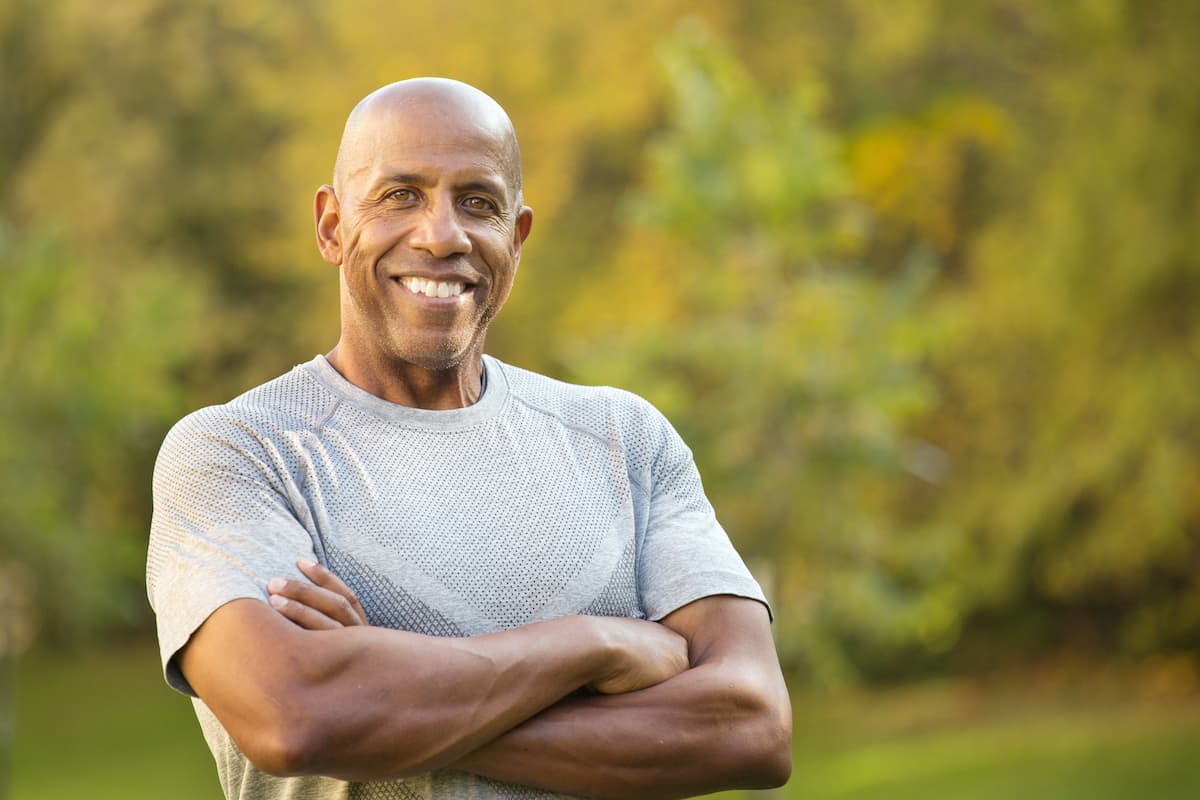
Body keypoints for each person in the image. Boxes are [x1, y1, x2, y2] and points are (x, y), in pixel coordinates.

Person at [147, 77, 791, 800]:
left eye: (478, 203)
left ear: (515, 238)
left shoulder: (625, 441)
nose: (442, 235)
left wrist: (383, 692)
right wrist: (594, 644)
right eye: (399, 196)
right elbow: (293, 720)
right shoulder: (240, 453)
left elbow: (753, 729)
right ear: (331, 226)